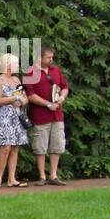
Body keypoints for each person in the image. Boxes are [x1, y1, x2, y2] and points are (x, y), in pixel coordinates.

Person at [22, 45, 69, 185]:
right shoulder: (29, 73)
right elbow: (30, 95)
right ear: (39, 58)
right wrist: (48, 104)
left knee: (57, 145)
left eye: (52, 57)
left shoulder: (56, 70)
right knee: (40, 147)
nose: (51, 59)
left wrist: (62, 97)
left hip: (57, 115)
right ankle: (42, 176)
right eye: (48, 57)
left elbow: (65, 87)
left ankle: (53, 175)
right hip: (40, 115)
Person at [0, 53, 29, 188]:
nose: (17, 66)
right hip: (5, 116)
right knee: (5, 147)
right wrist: (14, 98)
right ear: (8, 65)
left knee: (15, 146)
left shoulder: (16, 80)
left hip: (17, 115)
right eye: (16, 64)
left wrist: (23, 101)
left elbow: (24, 97)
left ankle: (12, 179)